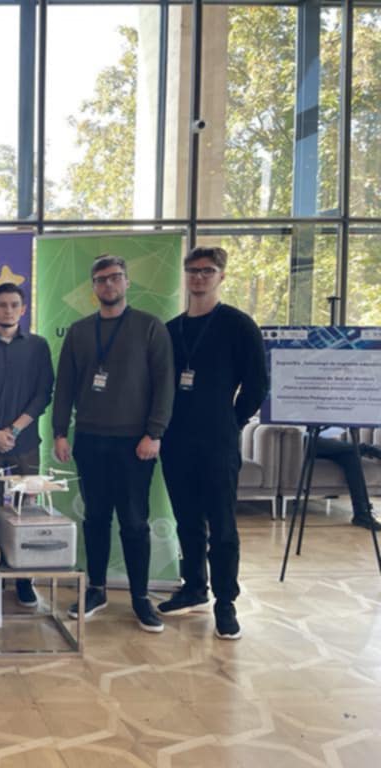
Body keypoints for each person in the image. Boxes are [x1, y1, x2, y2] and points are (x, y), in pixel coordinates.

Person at [52, 254, 174, 633]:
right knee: (95, 519)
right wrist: (59, 432)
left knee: (135, 522)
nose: (109, 284)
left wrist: (154, 433)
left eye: (115, 277)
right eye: (101, 279)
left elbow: (164, 384)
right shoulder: (79, 331)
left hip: (136, 444)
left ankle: (139, 598)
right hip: (90, 440)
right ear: (93, 287)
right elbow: (65, 385)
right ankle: (97, 590)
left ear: (126, 282)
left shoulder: (149, 327)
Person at [158, 246, 268, 641]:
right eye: (192, 270)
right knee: (186, 520)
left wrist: (232, 421)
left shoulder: (238, 325)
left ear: (221, 275)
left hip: (218, 440)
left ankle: (225, 601)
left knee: (222, 525)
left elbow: (257, 383)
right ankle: (193, 587)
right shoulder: (171, 329)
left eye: (207, 270)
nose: (199, 277)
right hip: (175, 440)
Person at [0, 282, 55, 606]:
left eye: (14, 304)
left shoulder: (38, 346)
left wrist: (14, 430)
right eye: (2, 305)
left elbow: (43, 393)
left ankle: (23, 580)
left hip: (25, 442)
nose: (8, 310)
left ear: (23, 309)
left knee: (25, 510)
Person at [315, 434, 381, 531]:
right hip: (303, 441)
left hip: (319, 441)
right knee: (315, 441)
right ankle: (367, 449)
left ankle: (362, 514)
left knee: (351, 456)